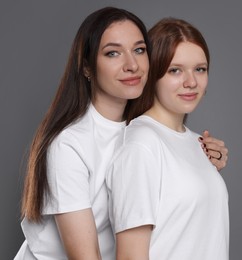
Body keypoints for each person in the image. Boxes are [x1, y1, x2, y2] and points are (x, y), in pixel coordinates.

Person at [15, 7, 228, 260]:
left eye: (139, 50)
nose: (132, 65)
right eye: (113, 53)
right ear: (86, 66)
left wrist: (198, 161)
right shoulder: (69, 145)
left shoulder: (144, 130)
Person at [106, 18, 229, 259]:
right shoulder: (141, 144)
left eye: (200, 69)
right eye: (175, 70)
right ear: (152, 74)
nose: (191, 82)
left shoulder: (198, 144)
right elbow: (131, 256)